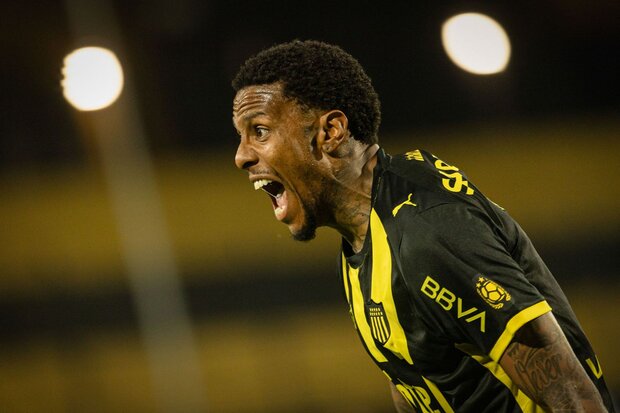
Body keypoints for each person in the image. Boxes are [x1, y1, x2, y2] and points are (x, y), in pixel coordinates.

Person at [231, 40, 615, 412]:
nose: (241, 156)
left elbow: (572, 395)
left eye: (259, 131)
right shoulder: (363, 241)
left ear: (330, 132)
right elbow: (416, 380)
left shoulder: (426, 231)